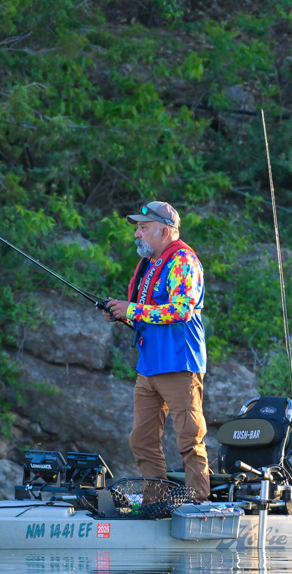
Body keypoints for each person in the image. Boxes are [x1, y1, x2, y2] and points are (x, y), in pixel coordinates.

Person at [102, 201, 210, 500]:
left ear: (163, 231)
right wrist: (120, 313)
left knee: (189, 439)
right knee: (141, 439)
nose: (137, 234)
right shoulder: (150, 264)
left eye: (143, 227)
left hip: (179, 364)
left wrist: (132, 309)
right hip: (148, 366)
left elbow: (180, 311)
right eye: (138, 228)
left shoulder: (183, 261)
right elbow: (145, 312)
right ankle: (156, 501)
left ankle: (199, 502)